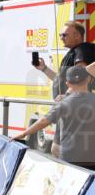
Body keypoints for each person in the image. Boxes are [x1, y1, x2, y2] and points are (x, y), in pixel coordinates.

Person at [12, 65, 95, 169]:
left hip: (69, 158)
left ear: (67, 83)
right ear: (89, 79)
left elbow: (43, 121)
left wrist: (24, 133)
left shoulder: (63, 103)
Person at [34, 21, 95, 158]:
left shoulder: (82, 50)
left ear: (77, 36)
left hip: (73, 109)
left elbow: (81, 76)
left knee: (61, 150)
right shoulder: (73, 52)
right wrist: (44, 69)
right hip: (69, 109)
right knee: (57, 150)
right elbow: (62, 80)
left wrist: (67, 96)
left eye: (64, 34)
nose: (61, 37)